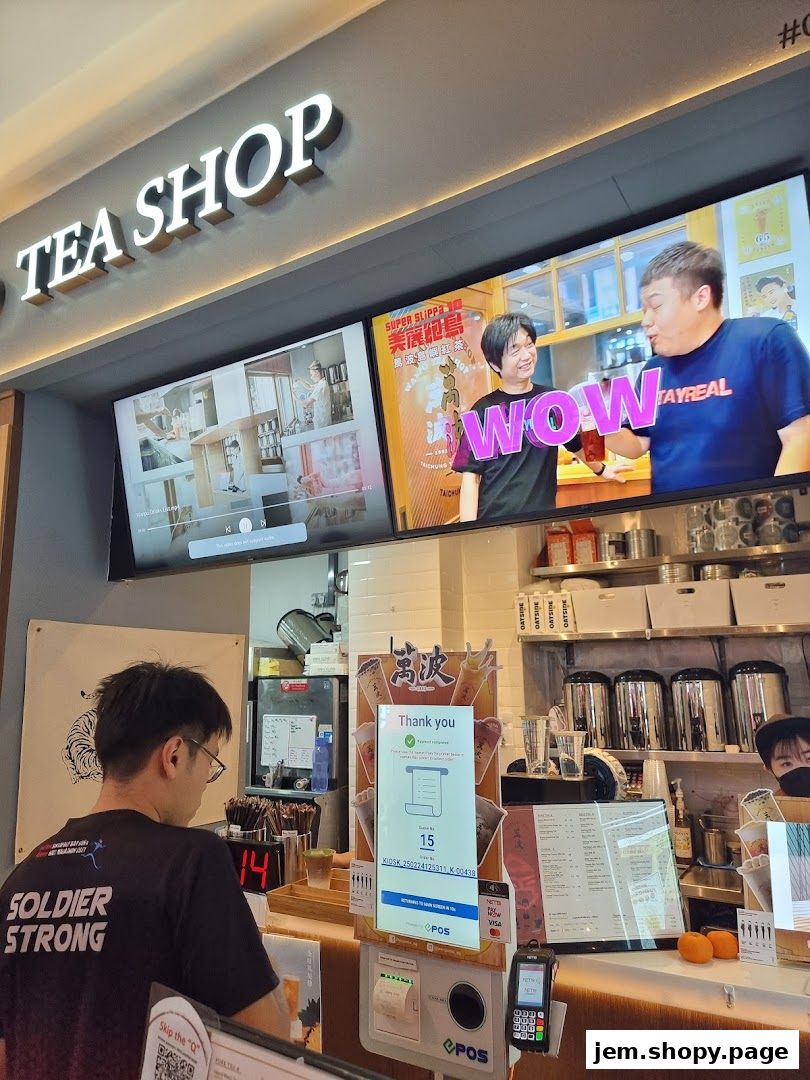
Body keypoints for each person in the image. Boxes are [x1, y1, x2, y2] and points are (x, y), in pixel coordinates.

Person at [0, 661, 286, 1080]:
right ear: (173, 755)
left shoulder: (22, 879)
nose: (208, 780)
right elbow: (266, 1046)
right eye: (210, 761)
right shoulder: (192, 861)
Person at [605, 241, 810, 494]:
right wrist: (602, 427)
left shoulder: (765, 340)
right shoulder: (652, 371)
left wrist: (776, 516)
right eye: (644, 310)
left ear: (700, 297)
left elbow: (800, 437)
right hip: (674, 523)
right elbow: (638, 442)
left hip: (753, 521)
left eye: (656, 306)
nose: (646, 321)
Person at [452, 313, 627, 521]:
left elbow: (575, 445)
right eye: (514, 350)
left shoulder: (553, 400)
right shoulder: (481, 410)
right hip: (494, 522)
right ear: (495, 364)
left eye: (529, 344)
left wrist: (602, 470)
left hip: (543, 521)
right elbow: (470, 479)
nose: (526, 355)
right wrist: (468, 534)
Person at [755, 713, 810, 797]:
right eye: (786, 764)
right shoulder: (770, 809)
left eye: (809, 758)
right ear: (769, 770)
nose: (801, 768)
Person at [301, 362, 333, 429]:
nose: (311, 377)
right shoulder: (322, 383)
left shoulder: (321, 386)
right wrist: (300, 380)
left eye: (311, 374)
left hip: (323, 424)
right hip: (323, 422)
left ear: (317, 373)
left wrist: (295, 397)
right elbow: (309, 386)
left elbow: (306, 404)